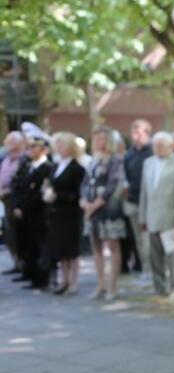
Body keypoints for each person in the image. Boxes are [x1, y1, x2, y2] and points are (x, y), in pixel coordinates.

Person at [138, 131, 174, 300]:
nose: (157, 149)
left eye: (161, 146)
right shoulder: (148, 163)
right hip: (152, 216)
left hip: (172, 217)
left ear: (170, 146)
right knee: (154, 255)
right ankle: (159, 286)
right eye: (155, 146)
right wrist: (142, 216)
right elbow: (144, 192)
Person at [81, 126, 127, 300]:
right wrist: (84, 201)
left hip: (109, 210)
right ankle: (100, 284)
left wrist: (95, 205)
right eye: (96, 139)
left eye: (102, 138)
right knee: (96, 247)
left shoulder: (115, 160)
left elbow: (113, 184)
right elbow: (85, 183)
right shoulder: (93, 160)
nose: (99, 142)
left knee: (113, 246)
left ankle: (112, 287)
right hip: (92, 211)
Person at [44, 132, 86, 295]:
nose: (59, 148)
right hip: (56, 213)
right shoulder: (56, 166)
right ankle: (64, 280)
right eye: (58, 145)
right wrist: (47, 192)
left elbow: (78, 193)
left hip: (70, 213)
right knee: (60, 248)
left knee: (71, 249)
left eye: (63, 145)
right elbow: (50, 183)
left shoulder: (77, 168)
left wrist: (58, 196)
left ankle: (73, 282)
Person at [12, 134, 55, 290]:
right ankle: (29, 272)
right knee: (26, 244)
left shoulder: (48, 168)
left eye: (33, 147)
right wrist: (17, 206)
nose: (30, 150)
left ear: (43, 150)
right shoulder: (27, 165)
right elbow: (17, 186)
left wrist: (25, 206)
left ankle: (41, 278)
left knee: (39, 245)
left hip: (38, 213)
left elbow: (41, 193)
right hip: (23, 213)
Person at [123, 119, 154, 281]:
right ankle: (145, 269)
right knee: (139, 239)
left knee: (148, 239)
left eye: (139, 132)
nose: (135, 136)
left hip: (149, 203)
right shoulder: (129, 154)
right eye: (133, 132)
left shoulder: (153, 152)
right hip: (132, 201)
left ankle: (153, 270)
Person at [1, 132, 27, 273]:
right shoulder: (5, 158)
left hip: (16, 199)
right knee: (9, 232)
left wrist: (8, 191)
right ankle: (16, 262)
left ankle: (24, 263)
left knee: (18, 232)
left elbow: (20, 181)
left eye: (10, 141)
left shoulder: (23, 159)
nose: (7, 144)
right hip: (5, 200)